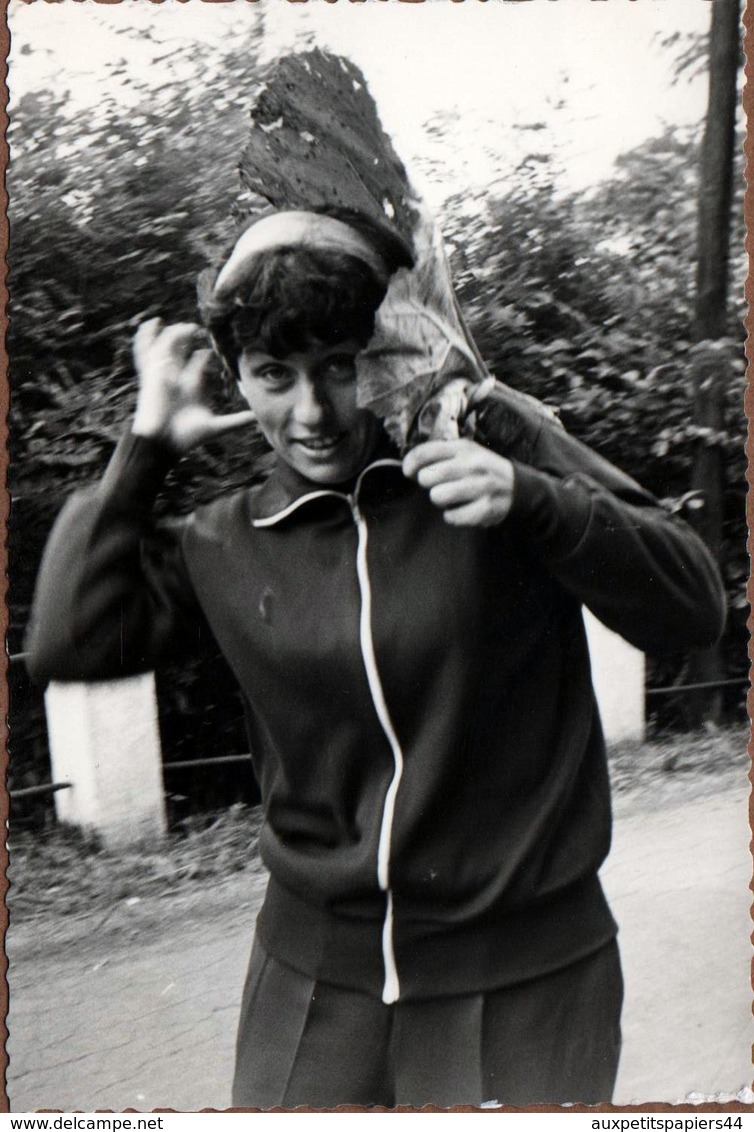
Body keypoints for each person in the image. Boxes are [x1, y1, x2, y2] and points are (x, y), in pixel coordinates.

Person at [25, 208, 726, 1109]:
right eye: (275, 375)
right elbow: (65, 638)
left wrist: (534, 493)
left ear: (388, 352)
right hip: (313, 988)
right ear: (238, 378)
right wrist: (146, 446)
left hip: (524, 985)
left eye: (339, 367)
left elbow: (693, 605)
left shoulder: (488, 475)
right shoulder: (230, 538)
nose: (311, 413)